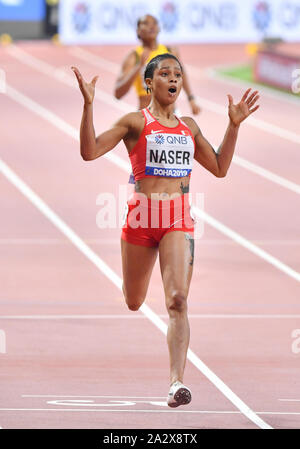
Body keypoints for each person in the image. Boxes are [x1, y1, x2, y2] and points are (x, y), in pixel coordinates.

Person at [71, 53, 259, 407]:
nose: (174, 79)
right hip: (141, 218)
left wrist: (233, 126)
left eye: (178, 74)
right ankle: (134, 291)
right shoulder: (135, 123)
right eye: (166, 74)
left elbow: (219, 167)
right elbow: (89, 151)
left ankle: (176, 383)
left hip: (177, 219)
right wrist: (88, 105)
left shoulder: (189, 127)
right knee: (134, 301)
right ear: (150, 83)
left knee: (177, 301)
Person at [114, 14, 201, 115]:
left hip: (171, 115)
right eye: (145, 23)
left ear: (159, 28)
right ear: (138, 30)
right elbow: (118, 94)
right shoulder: (134, 57)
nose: (151, 26)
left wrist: (191, 99)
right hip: (146, 117)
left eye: (154, 23)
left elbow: (182, 74)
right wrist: (139, 66)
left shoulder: (170, 51)